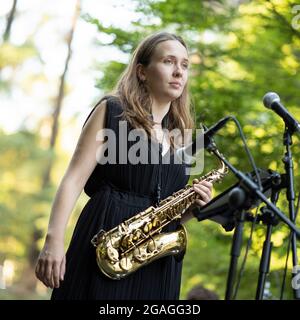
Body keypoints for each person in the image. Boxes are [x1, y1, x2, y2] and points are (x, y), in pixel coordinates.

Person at [35, 31, 213, 300]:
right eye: (168, 61)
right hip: (104, 243)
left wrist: (192, 207)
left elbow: (169, 213)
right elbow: (73, 179)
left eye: (184, 65)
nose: (179, 72)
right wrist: (54, 240)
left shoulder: (182, 139)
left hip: (156, 261)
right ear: (142, 71)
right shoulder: (112, 111)